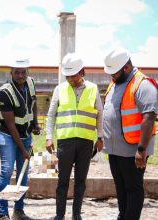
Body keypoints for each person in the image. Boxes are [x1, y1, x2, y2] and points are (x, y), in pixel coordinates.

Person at [45, 53, 104, 220]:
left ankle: (76, 215)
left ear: (82, 72)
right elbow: (51, 115)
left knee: (80, 182)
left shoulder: (93, 89)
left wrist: (100, 137)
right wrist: (49, 136)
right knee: (62, 181)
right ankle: (59, 215)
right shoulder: (60, 89)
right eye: (68, 75)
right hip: (65, 142)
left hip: (86, 142)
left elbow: (100, 114)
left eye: (74, 75)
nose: (70, 78)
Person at [103, 48, 158, 220]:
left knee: (133, 188)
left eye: (114, 73)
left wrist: (142, 150)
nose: (111, 76)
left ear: (126, 68)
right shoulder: (115, 82)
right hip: (114, 149)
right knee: (120, 186)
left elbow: (149, 117)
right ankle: (123, 215)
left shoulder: (143, 84)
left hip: (133, 149)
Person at [0, 58, 41, 220]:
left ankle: (18, 211)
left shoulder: (30, 83)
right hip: (7, 134)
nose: (21, 75)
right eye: (17, 72)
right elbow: (11, 125)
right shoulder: (4, 93)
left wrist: (35, 124)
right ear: (11, 73)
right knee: (7, 171)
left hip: (25, 133)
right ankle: (2, 213)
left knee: (23, 172)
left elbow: (34, 103)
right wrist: (23, 150)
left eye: (23, 72)